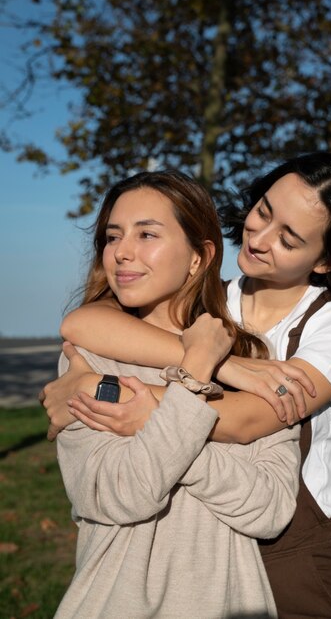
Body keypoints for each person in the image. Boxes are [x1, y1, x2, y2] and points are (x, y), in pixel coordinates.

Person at [42, 152, 331, 619]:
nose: (258, 238)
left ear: (326, 261)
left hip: (294, 552)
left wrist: (108, 391)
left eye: (289, 237)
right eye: (263, 210)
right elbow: (85, 321)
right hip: (189, 553)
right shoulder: (215, 298)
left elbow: (253, 418)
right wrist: (225, 366)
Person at [49, 169, 302, 619]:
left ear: (198, 257)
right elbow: (120, 493)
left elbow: (270, 509)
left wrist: (159, 424)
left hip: (232, 604)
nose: (122, 253)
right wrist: (195, 373)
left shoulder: (253, 361)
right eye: (112, 237)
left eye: (147, 234)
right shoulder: (88, 359)